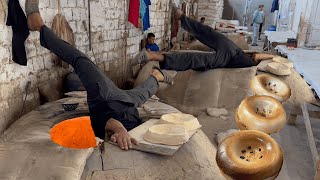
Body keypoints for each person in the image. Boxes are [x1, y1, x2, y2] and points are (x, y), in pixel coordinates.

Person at [25, 0, 173, 150]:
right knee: (140, 93)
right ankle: (155, 77)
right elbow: (115, 124)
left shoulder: (104, 127)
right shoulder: (130, 133)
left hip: (115, 101)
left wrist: (119, 130)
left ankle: (38, 25)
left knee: (80, 60)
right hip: (123, 102)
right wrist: (121, 130)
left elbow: (110, 123)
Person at [132, 3, 275, 71]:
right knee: (205, 37)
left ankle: (153, 55)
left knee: (198, 54)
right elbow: (257, 56)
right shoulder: (262, 63)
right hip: (232, 53)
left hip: (230, 55)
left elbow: (257, 57)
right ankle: (181, 18)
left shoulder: (260, 69)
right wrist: (274, 58)